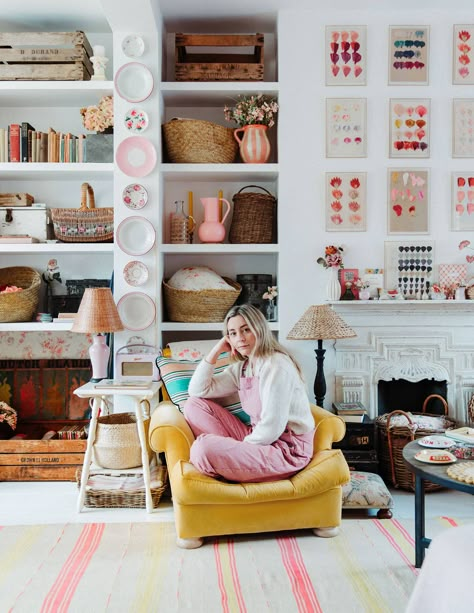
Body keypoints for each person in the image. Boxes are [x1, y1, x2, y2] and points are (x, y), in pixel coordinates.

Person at [183, 304, 315, 483]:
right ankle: (232, 464)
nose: (240, 338)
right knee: (193, 404)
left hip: (286, 450)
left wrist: (240, 450)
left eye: (246, 330)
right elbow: (199, 390)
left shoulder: (276, 365)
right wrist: (215, 351)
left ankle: (230, 464)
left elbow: (272, 426)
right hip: (257, 437)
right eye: (233, 333)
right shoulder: (244, 367)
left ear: (259, 329)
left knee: (203, 448)